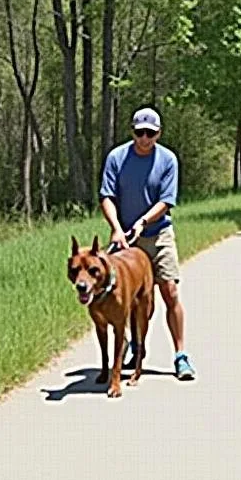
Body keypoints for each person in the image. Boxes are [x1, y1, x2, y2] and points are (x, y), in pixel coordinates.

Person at [99, 107, 195, 381]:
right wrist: (117, 229)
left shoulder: (167, 160)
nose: (144, 139)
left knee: (169, 291)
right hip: (125, 237)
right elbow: (107, 196)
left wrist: (143, 222)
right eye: (140, 133)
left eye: (150, 134)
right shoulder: (117, 158)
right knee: (121, 295)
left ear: (158, 134)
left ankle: (180, 355)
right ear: (132, 132)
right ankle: (133, 346)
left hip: (158, 233)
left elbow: (167, 201)